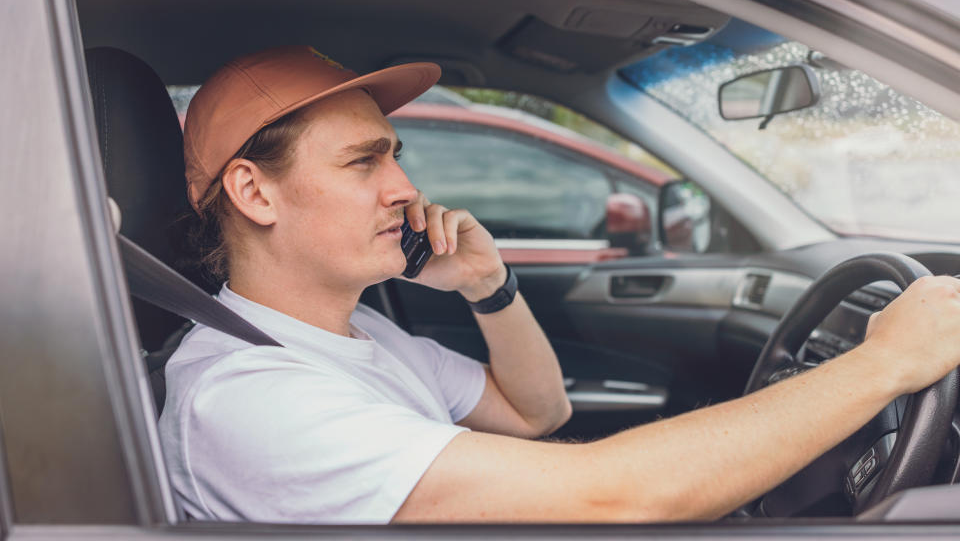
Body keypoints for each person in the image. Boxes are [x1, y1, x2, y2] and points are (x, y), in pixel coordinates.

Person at [159, 45, 960, 524]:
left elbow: (538, 413)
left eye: (395, 155)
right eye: (365, 161)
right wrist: (882, 364)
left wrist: (489, 287)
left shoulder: (349, 338)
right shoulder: (249, 394)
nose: (404, 188)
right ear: (253, 192)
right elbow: (609, 500)